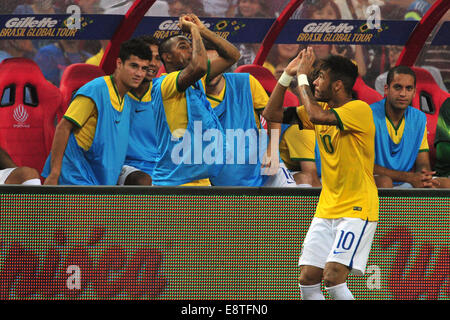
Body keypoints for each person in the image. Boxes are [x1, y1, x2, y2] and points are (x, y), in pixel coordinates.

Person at [263, 48, 379, 300]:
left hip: (357, 208)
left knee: (333, 275)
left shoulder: (358, 109)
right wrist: (287, 77)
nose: (314, 81)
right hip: (327, 207)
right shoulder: (320, 109)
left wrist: (302, 77)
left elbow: (317, 115)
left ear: (337, 85)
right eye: (313, 77)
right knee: (307, 278)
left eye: (320, 77)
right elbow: (270, 114)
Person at [42, 38, 152, 185]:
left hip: (100, 182)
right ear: (119, 64)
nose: (139, 73)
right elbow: (63, 127)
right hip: (75, 178)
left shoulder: (126, 102)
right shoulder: (96, 89)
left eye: (143, 68)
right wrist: (54, 174)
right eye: (134, 66)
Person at [150, 14, 240, 186]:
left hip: (201, 179)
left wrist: (202, 30)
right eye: (184, 47)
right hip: (173, 182)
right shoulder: (164, 83)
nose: (191, 50)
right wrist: (192, 30)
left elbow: (233, 56)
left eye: (191, 46)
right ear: (167, 57)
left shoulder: (197, 80)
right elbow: (198, 66)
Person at [204, 45, 296, 187]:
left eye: (217, 65)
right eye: (206, 65)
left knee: (294, 202)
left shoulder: (246, 82)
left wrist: (272, 149)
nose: (212, 71)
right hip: (224, 180)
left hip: (264, 169)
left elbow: (273, 116)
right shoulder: (194, 95)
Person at [371, 65, 448, 189]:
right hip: (376, 182)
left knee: (444, 184)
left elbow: (422, 161)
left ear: (414, 93)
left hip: (407, 181)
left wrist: (424, 177)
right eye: (398, 87)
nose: (403, 94)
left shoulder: (419, 118)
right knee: (385, 182)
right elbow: (365, 165)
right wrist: (408, 177)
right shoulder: (369, 114)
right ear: (386, 89)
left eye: (408, 88)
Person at [117, 35, 161, 186]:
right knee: (142, 181)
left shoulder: (163, 91)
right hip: (124, 166)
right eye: (149, 57)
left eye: (157, 58)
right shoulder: (116, 92)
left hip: (158, 167)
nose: (153, 64)